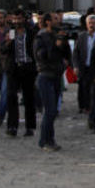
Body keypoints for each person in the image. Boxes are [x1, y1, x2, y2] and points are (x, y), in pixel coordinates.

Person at [35, 12, 70, 151]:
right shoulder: (41, 37)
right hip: (45, 76)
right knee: (49, 110)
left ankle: (49, 139)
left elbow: (66, 54)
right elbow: (42, 56)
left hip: (56, 75)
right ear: (48, 22)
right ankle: (45, 141)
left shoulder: (58, 35)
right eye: (55, 19)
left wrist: (65, 61)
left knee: (53, 110)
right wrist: (56, 45)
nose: (58, 21)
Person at [5, 10, 38, 137]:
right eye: (15, 19)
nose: (17, 21)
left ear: (24, 19)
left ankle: (30, 126)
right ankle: (12, 126)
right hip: (13, 69)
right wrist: (7, 42)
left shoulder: (31, 33)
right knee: (11, 96)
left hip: (28, 68)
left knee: (29, 98)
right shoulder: (11, 33)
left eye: (19, 19)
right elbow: (4, 50)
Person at [71, 14, 95, 116]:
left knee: (94, 88)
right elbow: (76, 53)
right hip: (84, 66)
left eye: (94, 23)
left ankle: (93, 107)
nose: (92, 25)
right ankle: (84, 106)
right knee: (83, 87)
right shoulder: (82, 36)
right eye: (90, 23)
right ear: (86, 25)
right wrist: (75, 66)